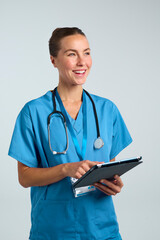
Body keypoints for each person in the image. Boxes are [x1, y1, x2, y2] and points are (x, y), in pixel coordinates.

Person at [8, 27, 132, 240]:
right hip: (52, 229)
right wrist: (66, 168)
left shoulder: (106, 110)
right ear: (53, 60)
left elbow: (109, 166)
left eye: (86, 52)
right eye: (71, 54)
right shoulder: (33, 112)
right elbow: (24, 177)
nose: (82, 62)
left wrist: (113, 182)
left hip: (101, 229)